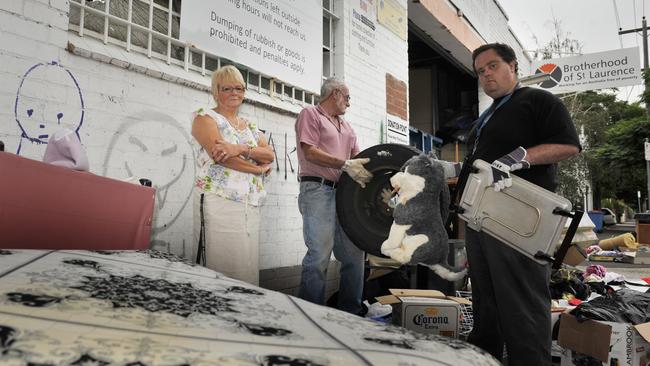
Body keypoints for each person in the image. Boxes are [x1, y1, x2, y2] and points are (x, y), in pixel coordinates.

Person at [464, 43, 581, 365]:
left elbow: (569, 146)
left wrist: (522, 158)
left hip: (521, 219)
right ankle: (484, 359)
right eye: (480, 71)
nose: (486, 74)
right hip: (482, 217)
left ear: (512, 66)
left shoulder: (538, 100)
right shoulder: (486, 117)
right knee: (486, 302)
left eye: (492, 66)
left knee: (522, 304)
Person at [294, 77, 372, 315]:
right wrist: (345, 163)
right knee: (319, 255)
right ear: (335, 94)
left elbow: (359, 159)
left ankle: (351, 312)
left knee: (354, 256)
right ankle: (310, 314)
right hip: (317, 190)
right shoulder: (311, 114)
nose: (349, 103)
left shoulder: (347, 127)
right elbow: (310, 152)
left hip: (345, 196)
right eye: (347, 97)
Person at [191, 65, 274, 286]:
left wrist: (240, 149)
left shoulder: (250, 126)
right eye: (228, 88)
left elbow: (269, 155)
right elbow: (221, 157)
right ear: (216, 91)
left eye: (240, 88)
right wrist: (257, 168)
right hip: (220, 202)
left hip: (250, 205)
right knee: (221, 267)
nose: (235, 93)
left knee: (246, 268)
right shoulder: (205, 118)